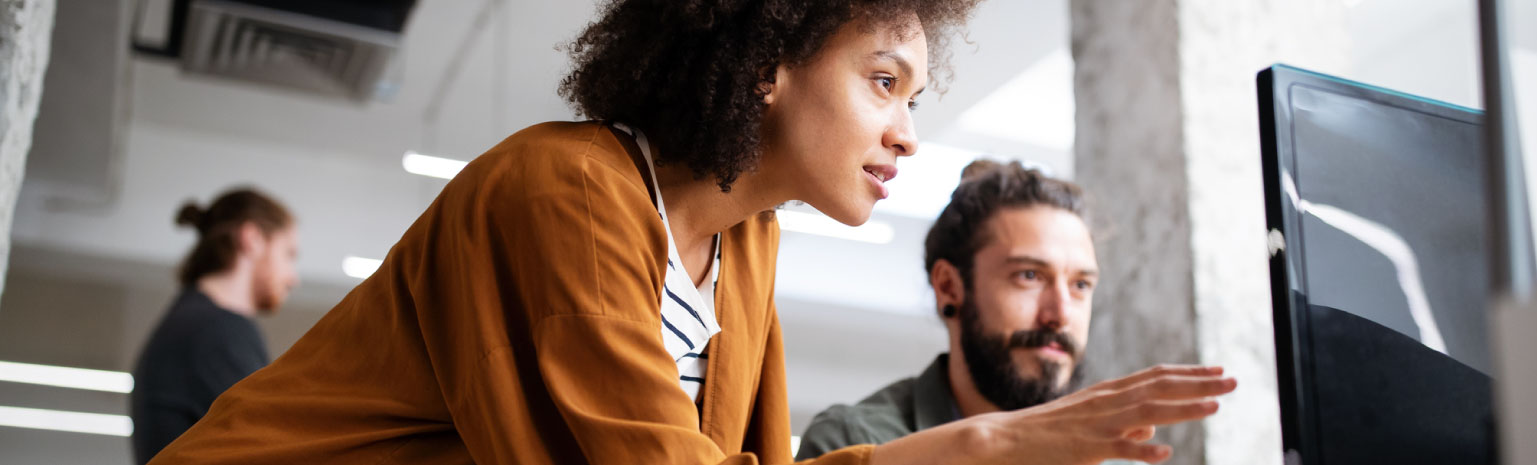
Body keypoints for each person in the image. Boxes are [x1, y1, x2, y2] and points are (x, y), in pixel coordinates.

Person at [149, 2, 1233, 464]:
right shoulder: (563, 193)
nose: (908, 131)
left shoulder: (746, 243)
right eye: (883, 81)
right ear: (768, 58)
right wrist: (993, 442)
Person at [796, 160, 1226, 462]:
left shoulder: (1113, 455)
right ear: (949, 286)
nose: (1059, 314)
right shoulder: (855, 444)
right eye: (1029, 276)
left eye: (1080, 285)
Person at [130, 188, 300, 464]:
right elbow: (272, 450)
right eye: (289, 254)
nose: (293, 278)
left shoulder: (192, 322)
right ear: (252, 238)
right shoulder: (217, 330)